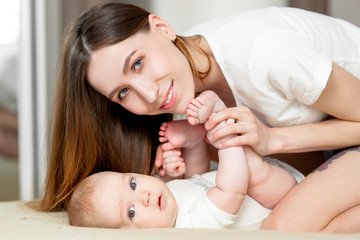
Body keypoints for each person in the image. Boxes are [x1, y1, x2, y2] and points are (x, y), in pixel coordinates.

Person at [40, 2, 360, 233]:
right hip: (335, 144)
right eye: (123, 93)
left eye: (137, 63)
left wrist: (272, 139)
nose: (148, 95)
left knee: (283, 227)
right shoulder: (184, 85)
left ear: (163, 28)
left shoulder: (265, 52)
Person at [68, 90, 299, 229]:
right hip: (281, 199)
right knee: (250, 175)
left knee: (219, 171)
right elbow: (231, 192)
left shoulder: (166, 198)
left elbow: (197, 175)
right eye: (131, 212)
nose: (144, 197)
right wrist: (225, 137)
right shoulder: (191, 227)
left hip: (267, 179)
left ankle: (197, 138)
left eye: (133, 184)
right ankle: (220, 119)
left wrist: (176, 165)